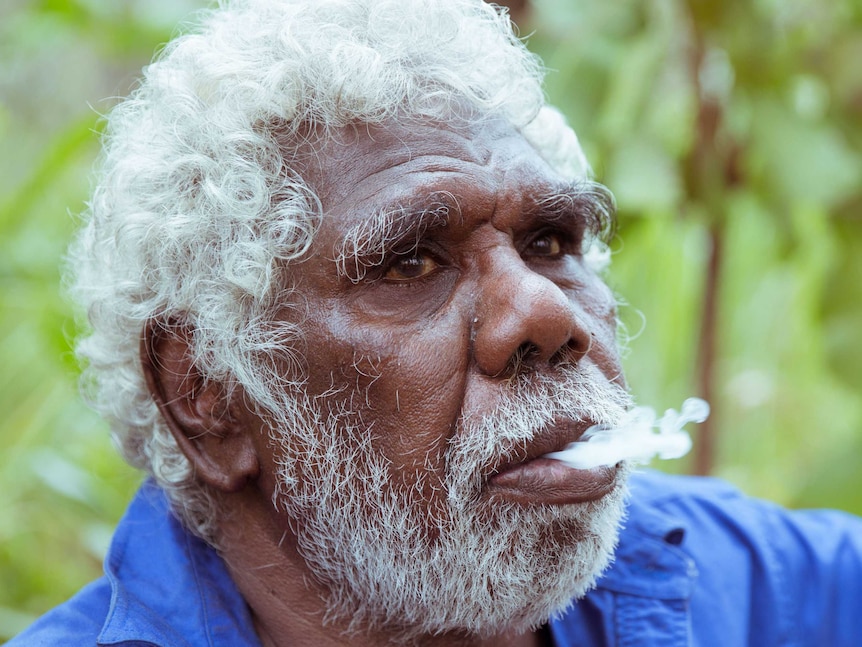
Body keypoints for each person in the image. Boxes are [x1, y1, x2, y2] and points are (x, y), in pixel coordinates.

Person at [9, 0, 862, 645]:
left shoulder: (758, 592)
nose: (545, 312)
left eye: (550, 240)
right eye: (411, 262)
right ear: (211, 394)